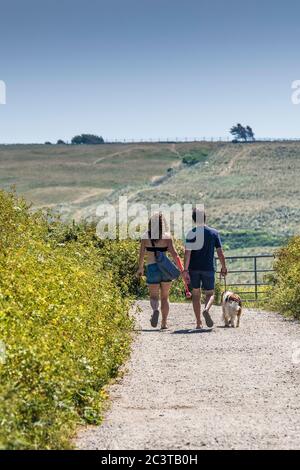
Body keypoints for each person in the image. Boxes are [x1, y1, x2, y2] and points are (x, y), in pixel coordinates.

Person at [137, 213, 182, 330]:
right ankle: (164, 323)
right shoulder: (167, 237)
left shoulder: (145, 237)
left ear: (150, 224)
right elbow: (175, 254)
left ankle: (155, 310)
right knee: (165, 297)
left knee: (153, 297)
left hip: (152, 268)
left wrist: (140, 268)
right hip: (165, 269)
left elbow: (141, 255)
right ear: (162, 224)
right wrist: (182, 269)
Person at [183, 209, 227, 329]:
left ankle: (198, 323)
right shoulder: (214, 233)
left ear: (193, 219)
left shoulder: (191, 233)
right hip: (208, 268)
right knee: (210, 293)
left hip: (194, 269)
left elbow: (187, 253)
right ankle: (206, 309)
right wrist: (224, 266)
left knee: (196, 295)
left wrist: (185, 270)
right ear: (205, 218)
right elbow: (220, 252)